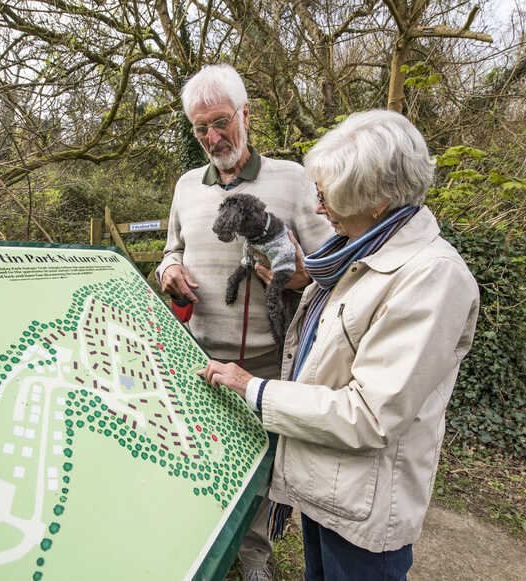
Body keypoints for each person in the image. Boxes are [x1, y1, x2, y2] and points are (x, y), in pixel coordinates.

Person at [199, 110, 480, 581]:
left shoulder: (433, 278)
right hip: (326, 486)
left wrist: (254, 389)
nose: (317, 208)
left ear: (380, 199)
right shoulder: (355, 254)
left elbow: (370, 413)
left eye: (329, 197)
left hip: (364, 505)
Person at [156, 64, 333, 581]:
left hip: (265, 359)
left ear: (246, 115)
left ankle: (254, 555)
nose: (212, 138)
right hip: (195, 354)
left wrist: (296, 277)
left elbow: (331, 268)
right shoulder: (187, 185)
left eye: (220, 122)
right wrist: (169, 269)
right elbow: (173, 248)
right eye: (199, 128)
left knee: (259, 467)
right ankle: (197, 542)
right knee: (195, 455)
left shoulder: (293, 179)